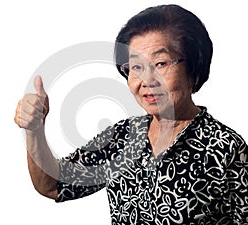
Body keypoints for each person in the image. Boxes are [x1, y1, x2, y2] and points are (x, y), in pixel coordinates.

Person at [14, 4, 248, 224]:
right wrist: (34, 130)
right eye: (136, 67)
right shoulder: (123, 136)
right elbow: (53, 185)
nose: (146, 80)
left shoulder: (226, 147)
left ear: (195, 69)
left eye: (160, 63)